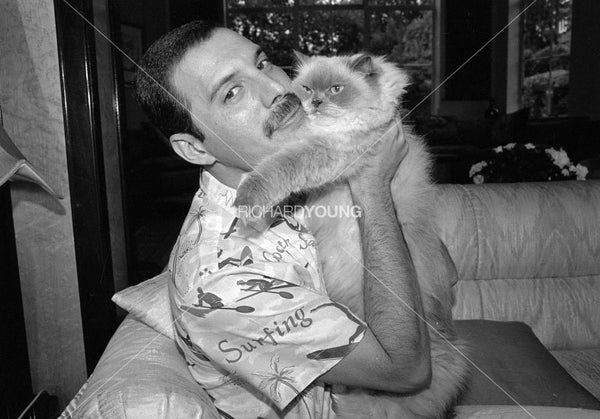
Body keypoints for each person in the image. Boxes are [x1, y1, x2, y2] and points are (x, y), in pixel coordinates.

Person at [135, 20, 430, 418]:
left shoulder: (297, 174)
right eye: (232, 92)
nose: (279, 89)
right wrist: (372, 186)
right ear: (194, 148)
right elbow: (407, 369)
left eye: (263, 63)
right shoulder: (224, 285)